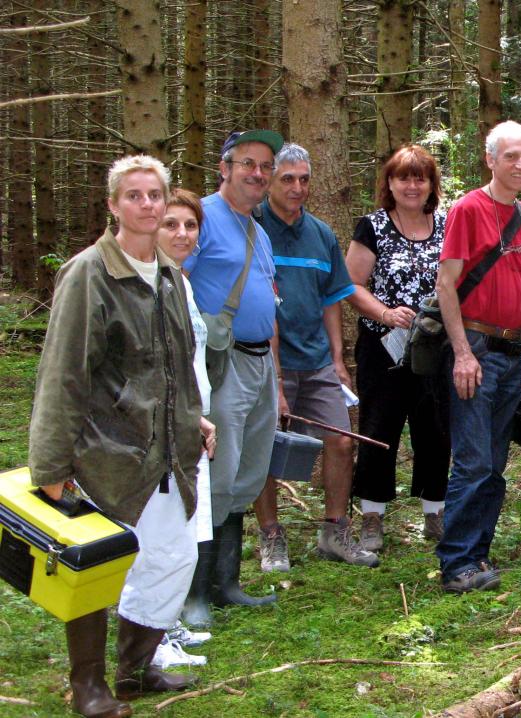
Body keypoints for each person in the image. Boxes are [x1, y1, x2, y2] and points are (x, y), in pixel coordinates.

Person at [30, 155, 209, 717]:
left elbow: (177, 364)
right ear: (113, 205)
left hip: (162, 453)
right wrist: (51, 467)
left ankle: (134, 669)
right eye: (133, 195)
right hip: (102, 453)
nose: (147, 205)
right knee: (96, 568)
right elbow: (63, 373)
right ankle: (88, 685)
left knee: (172, 559)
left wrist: (194, 419)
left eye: (155, 195)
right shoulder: (89, 274)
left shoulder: (169, 276)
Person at [249, 142, 376, 571]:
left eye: (304, 179)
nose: (297, 188)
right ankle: (270, 535)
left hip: (317, 360)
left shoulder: (321, 234)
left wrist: (338, 359)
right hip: (266, 360)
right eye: (288, 179)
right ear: (269, 180)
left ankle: (334, 531)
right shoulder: (252, 225)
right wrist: (273, 371)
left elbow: (332, 301)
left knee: (340, 440)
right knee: (263, 445)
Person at [435, 120, 521, 593]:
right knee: (474, 459)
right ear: (490, 160)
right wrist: (462, 353)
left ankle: (478, 554)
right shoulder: (468, 209)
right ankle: (456, 561)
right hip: (475, 349)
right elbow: (447, 286)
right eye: (511, 157)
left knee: (495, 461)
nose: (520, 165)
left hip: (510, 351)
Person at [184, 129, 284, 608]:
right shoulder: (200, 218)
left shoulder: (257, 231)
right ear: (224, 168)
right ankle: (195, 592)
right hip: (223, 364)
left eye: (265, 166)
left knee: (247, 472)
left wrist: (278, 379)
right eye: (247, 163)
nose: (257, 174)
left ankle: (226, 584)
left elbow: (267, 304)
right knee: (216, 474)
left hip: (260, 363)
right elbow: (176, 282)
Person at [345, 144, 451, 551]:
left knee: (436, 429)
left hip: (434, 347)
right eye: (403, 177)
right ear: (389, 183)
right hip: (383, 348)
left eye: (419, 177)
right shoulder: (372, 226)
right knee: (379, 428)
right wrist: (386, 313)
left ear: (430, 185)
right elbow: (350, 285)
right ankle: (372, 515)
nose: (411, 185)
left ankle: (434, 511)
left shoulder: (446, 225)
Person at [155, 189, 219, 629]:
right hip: (161, 427)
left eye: (190, 225)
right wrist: (186, 416)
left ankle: (167, 625)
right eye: (171, 224)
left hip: (191, 422)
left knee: (183, 531)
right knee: (160, 534)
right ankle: (151, 634)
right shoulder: (149, 282)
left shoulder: (181, 281)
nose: (182, 234)